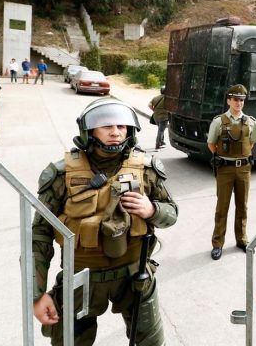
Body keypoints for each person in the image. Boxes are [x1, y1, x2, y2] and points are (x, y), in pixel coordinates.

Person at [31, 98, 178, 345]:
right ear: (89, 131)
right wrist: (36, 295)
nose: (115, 132)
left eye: (121, 126)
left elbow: (171, 213)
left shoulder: (146, 169)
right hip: (81, 280)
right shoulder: (61, 175)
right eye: (106, 126)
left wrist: (152, 209)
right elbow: (39, 235)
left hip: (135, 277)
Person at [207, 84, 256, 260]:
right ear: (229, 101)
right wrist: (224, 157)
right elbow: (211, 144)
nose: (239, 103)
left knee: (242, 206)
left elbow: (251, 143)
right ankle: (217, 243)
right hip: (225, 169)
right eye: (235, 99)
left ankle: (241, 239)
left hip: (244, 169)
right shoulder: (218, 121)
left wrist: (240, 158)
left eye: (241, 100)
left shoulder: (250, 122)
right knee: (222, 207)